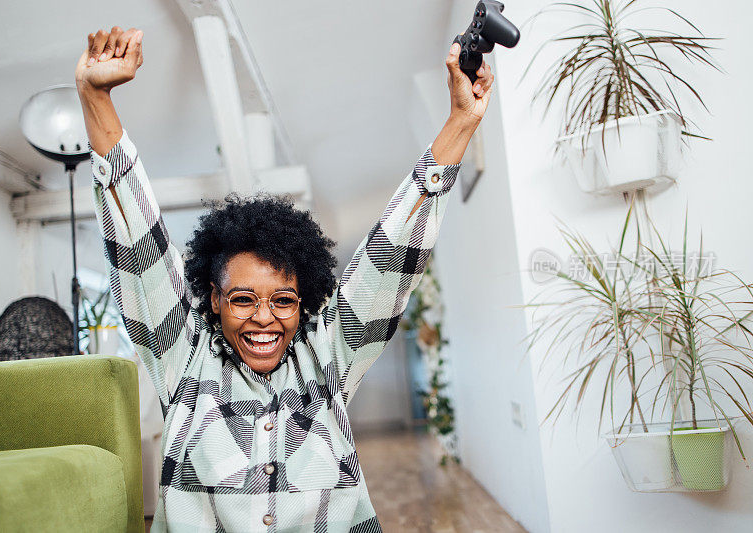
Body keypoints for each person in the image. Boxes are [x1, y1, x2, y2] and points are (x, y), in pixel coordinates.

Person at [76, 25, 493, 533]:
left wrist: (460, 123)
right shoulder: (181, 359)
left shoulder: (328, 356)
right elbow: (139, 245)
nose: (264, 318)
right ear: (213, 299)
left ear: (303, 303)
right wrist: (96, 98)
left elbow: (391, 257)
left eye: (284, 300)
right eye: (243, 298)